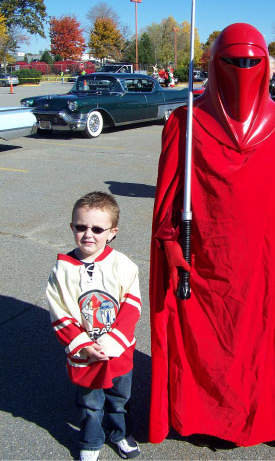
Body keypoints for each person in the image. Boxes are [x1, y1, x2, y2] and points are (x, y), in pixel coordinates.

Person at [149, 23, 275, 447]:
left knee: (271, 337)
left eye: (252, 63)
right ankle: (210, 416)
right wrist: (167, 241)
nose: (243, 70)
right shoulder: (187, 123)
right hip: (205, 258)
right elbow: (167, 195)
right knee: (211, 339)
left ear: (266, 67)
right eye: (233, 62)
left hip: (270, 259)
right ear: (215, 65)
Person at [46, 191, 141, 461]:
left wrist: (110, 343)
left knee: (120, 399)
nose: (89, 234)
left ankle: (120, 433)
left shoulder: (123, 266)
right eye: (81, 227)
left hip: (118, 351)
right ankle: (90, 440)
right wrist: (84, 345)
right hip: (85, 354)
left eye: (98, 229)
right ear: (72, 227)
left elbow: (132, 307)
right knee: (89, 402)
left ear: (112, 232)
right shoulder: (61, 270)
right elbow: (59, 313)